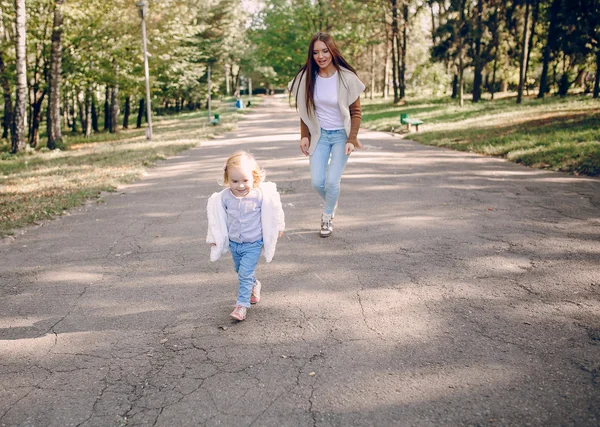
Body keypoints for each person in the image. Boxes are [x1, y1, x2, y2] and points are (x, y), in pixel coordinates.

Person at [288, 31, 365, 237]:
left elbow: (355, 112)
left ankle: (327, 216)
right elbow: (304, 110)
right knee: (317, 182)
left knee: (332, 181)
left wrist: (351, 139)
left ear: (332, 51)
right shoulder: (307, 78)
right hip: (319, 136)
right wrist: (304, 135)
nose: (320, 56)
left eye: (324, 51)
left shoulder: (346, 78)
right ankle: (333, 199)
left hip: (341, 136)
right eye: (315, 52)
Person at [206, 151, 285, 321]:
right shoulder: (224, 198)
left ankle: (242, 305)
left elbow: (274, 211)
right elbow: (216, 220)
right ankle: (254, 284)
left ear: (254, 177)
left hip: (253, 243)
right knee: (240, 270)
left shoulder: (259, 196)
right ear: (227, 179)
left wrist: (278, 226)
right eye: (235, 181)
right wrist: (215, 238)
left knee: (244, 273)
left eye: (245, 181)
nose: (240, 186)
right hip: (235, 243)